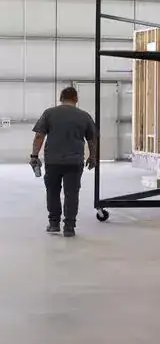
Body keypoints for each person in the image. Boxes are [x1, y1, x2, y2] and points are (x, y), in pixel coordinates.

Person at [30, 86, 98, 238]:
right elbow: (92, 139)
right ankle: (69, 227)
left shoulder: (49, 113)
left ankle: (54, 224)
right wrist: (93, 157)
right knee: (72, 194)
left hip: (53, 161)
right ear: (76, 99)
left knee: (53, 192)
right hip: (74, 161)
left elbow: (39, 136)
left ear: (60, 98)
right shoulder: (84, 116)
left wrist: (34, 156)